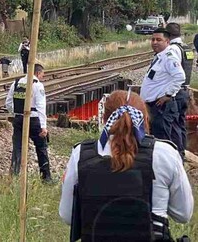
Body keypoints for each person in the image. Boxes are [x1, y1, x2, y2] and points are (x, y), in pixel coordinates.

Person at [59, 90, 193, 241]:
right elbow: (183, 214)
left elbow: (67, 216)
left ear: (104, 119)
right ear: (145, 120)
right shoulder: (165, 154)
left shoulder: (80, 154)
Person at [140, 28, 185, 156]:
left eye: (159, 40)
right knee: (164, 138)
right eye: (153, 39)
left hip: (162, 107)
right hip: (155, 106)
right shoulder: (160, 57)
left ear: (167, 41)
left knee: (162, 141)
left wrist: (168, 95)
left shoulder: (169, 57)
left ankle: (166, 167)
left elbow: (180, 76)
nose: (154, 42)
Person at [6, 63, 51, 182]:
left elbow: (9, 102)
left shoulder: (16, 83)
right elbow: (41, 106)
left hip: (19, 119)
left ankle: (14, 176)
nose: (42, 77)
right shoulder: (37, 85)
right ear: (37, 73)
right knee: (41, 147)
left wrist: (16, 113)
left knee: (17, 148)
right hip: (34, 119)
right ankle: (46, 177)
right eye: (42, 74)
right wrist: (43, 127)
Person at [166, 23, 192, 159]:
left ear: (168, 35)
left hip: (176, 92)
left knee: (174, 125)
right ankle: (182, 152)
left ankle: (178, 155)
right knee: (181, 125)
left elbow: (176, 73)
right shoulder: (187, 48)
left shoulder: (173, 49)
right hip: (185, 91)